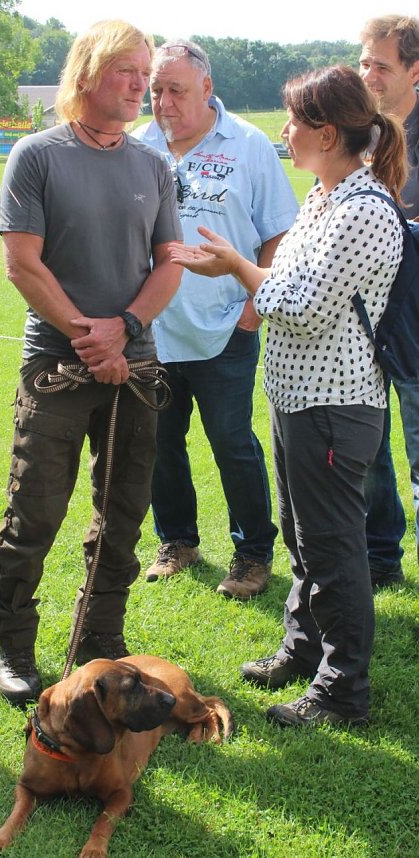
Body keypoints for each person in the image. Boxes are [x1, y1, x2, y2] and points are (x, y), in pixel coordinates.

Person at [170, 65, 407, 726]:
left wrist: (239, 268)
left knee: (333, 548)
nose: (285, 132)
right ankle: (303, 650)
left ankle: (340, 690)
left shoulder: (363, 209)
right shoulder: (324, 197)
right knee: (304, 538)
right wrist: (248, 267)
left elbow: (298, 306)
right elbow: (294, 278)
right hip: (298, 398)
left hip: (334, 408)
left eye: (295, 121)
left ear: (327, 133)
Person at [0, 20, 182, 706]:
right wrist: (87, 336)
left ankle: (101, 639)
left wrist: (124, 330)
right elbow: (21, 263)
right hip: (58, 369)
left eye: (145, 74)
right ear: (89, 72)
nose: (140, 85)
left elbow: (167, 267)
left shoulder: (153, 165)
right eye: (127, 70)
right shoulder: (37, 155)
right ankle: (13, 640)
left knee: (123, 513)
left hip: (137, 368)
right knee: (34, 509)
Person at [135, 40, 298, 598]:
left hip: (226, 326)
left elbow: (279, 234)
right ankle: (177, 540)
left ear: (207, 88)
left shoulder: (249, 145)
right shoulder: (140, 145)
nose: (163, 102)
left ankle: (253, 552)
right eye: (156, 90)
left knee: (231, 443)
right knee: (160, 440)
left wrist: (251, 314)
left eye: (175, 90)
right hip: (153, 330)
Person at [359, 15, 419, 587]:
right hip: (365, 329)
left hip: (418, 329)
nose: (368, 73)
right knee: (370, 457)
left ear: (414, 70)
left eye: (381, 63)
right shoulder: (362, 135)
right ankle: (382, 560)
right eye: (363, 61)